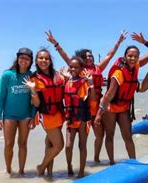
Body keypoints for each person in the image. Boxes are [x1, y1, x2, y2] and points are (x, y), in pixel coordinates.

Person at [45, 30, 126, 163]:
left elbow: (110, 55)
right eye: (86, 56)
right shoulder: (80, 70)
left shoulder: (99, 67)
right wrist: (55, 43)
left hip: (98, 108)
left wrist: (119, 41)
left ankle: (96, 158)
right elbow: (66, 57)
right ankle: (76, 165)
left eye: (91, 56)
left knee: (100, 135)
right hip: (84, 109)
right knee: (80, 141)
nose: (89, 58)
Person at [94, 29, 148, 165]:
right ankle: (112, 163)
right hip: (111, 109)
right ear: (125, 57)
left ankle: (134, 161)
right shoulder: (119, 73)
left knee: (128, 136)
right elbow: (108, 95)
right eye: (130, 56)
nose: (132, 58)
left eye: (135, 56)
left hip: (124, 108)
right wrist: (98, 114)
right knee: (110, 135)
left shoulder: (136, 65)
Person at [24, 49, 65, 176]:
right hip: (47, 115)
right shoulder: (34, 78)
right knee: (59, 145)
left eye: (46, 58)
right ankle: (41, 167)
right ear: (36, 61)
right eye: (41, 58)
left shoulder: (58, 75)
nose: (44, 61)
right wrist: (33, 90)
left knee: (50, 143)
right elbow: (36, 104)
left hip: (59, 113)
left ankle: (49, 173)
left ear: (50, 61)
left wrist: (67, 77)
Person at [0, 47, 37, 175]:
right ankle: (8, 170)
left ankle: (21, 171)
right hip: (9, 115)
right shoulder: (7, 75)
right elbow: (1, 96)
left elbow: (34, 99)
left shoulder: (31, 76)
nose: (24, 60)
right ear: (17, 58)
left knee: (23, 144)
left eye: (27, 58)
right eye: (22, 58)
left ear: (30, 61)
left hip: (25, 116)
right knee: (9, 144)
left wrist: (32, 116)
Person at [62, 56, 94, 178]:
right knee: (68, 146)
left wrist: (91, 83)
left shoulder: (85, 82)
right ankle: (69, 166)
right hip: (70, 118)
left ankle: (81, 172)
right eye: (71, 66)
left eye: (76, 67)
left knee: (82, 145)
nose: (73, 68)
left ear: (81, 68)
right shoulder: (67, 82)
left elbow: (93, 99)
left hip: (82, 118)